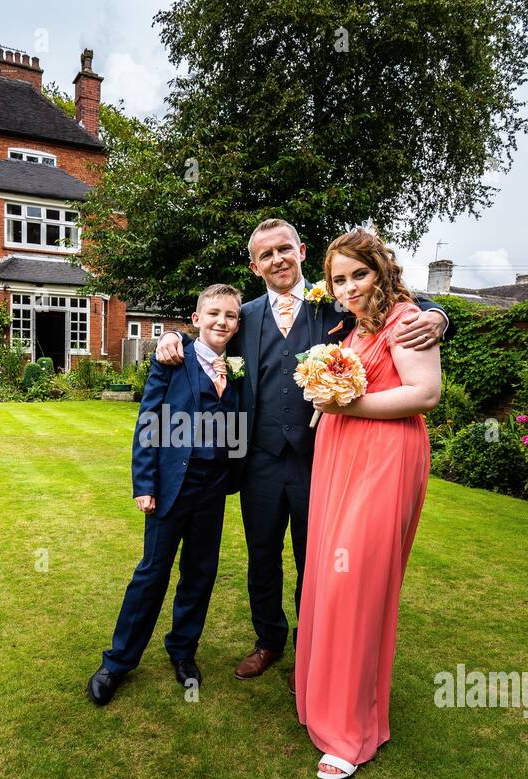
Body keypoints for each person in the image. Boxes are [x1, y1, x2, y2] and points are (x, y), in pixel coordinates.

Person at [151, 218, 453, 687]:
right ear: (255, 266)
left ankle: (312, 651)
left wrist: (438, 313)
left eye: (284, 249)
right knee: (262, 556)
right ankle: (269, 640)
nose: (278, 259)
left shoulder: (335, 303)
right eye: (266, 254)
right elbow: (206, 336)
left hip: (325, 461)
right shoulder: (245, 315)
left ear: (302, 250)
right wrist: (171, 338)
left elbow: (391, 297)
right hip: (259, 463)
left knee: (319, 560)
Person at [295, 227, 440, 779]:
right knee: (330, 580)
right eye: (339, 279)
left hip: (383, 461)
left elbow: (425, 394)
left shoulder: (408, 321)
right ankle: (325, 702)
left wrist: (344, 405)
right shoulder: (353, 329)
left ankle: (351, 732)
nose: (350, 286)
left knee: (357, 585)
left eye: (360, 274)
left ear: (380, 271)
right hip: (342, 460)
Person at [87, 284, 246, 705]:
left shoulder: (238, 364)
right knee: (152, 573)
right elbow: (149, 423)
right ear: (196, 319)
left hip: (212, 489)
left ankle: (182, 651)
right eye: (213, 313)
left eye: (230, 316)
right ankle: (117, 661)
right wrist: (144, 485)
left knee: (200, 573)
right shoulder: (172, 358)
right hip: (170, 486)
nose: (221, 322)